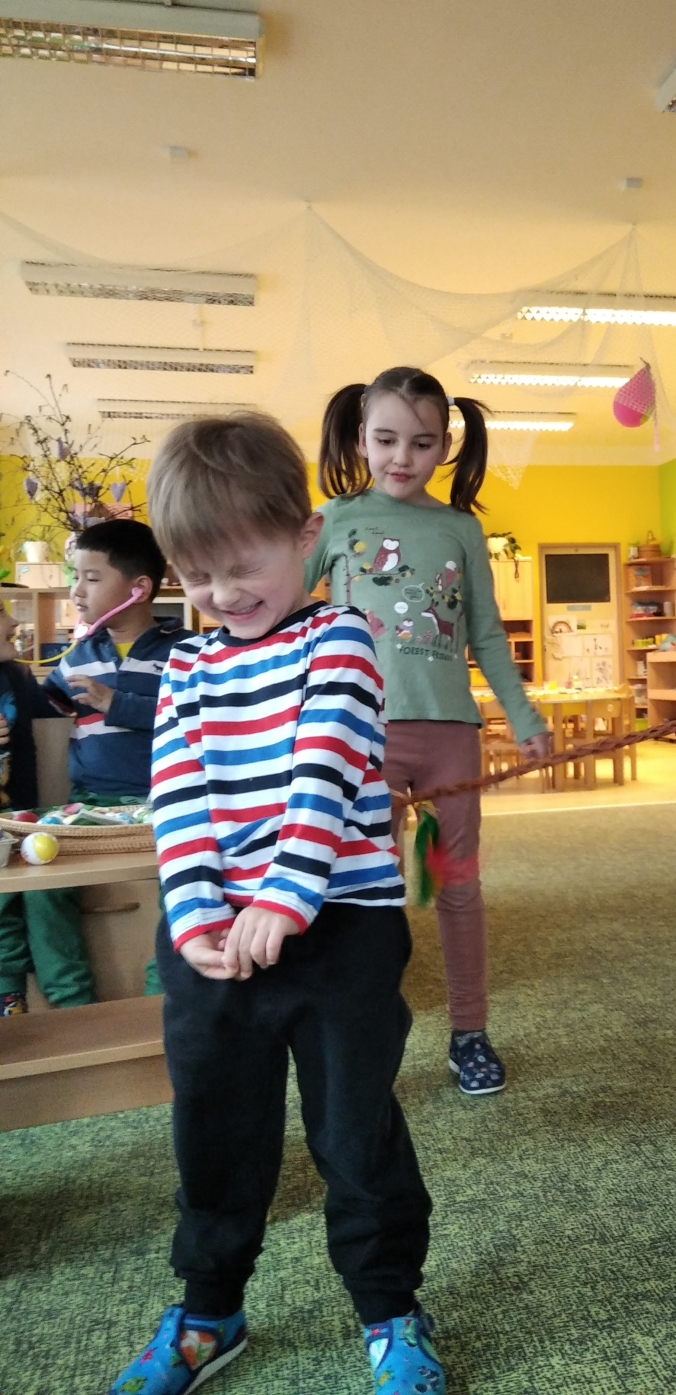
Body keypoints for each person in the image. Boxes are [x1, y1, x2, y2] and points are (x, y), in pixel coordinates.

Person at [108, 412, 444, 1395]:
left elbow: (324, 768)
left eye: (241, 565)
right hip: (217, 944)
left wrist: (288, 894)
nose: (221, 595)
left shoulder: (341, 638)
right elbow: (178, 795)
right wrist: (195, 917)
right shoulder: (186, 667)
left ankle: (389, 1308)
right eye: (196, 576)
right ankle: (209, 1310)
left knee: (353, 1130)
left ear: (305, 537)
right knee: (214, 1127)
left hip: (338, 929)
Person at [310, 367, 550, 1096]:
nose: (402, 457)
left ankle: (469, 1031)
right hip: (366, 740)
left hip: (450, 741)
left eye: (420, 443)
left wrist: (524, 716)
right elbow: (286, 609)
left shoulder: (459, 528)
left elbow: (485, 634)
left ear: (444, 446)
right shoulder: (333, 520)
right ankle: (366, 1030)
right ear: (361, 438)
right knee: (370, 891)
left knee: (456, 886)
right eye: (385, 440)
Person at [44, 517, 191, 998]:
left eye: (91, 577)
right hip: (89, 806)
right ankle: (72, 1004)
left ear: (138, 588)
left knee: (187, 890)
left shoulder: (185, 652)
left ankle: (159, 1000)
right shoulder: (76, 656)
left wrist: (116, 703)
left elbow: (197, 717)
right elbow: (44, 711)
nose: (76, 591)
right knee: (39, 887)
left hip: (164, 805)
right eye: (75, 577)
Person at [0, 609, 94, 1014]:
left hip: (21, 823)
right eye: (0, 614)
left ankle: (75, 1010)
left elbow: (60, 712)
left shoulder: (16, 677)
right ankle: (10, 1003)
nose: (12, 623)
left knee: (42, 906)